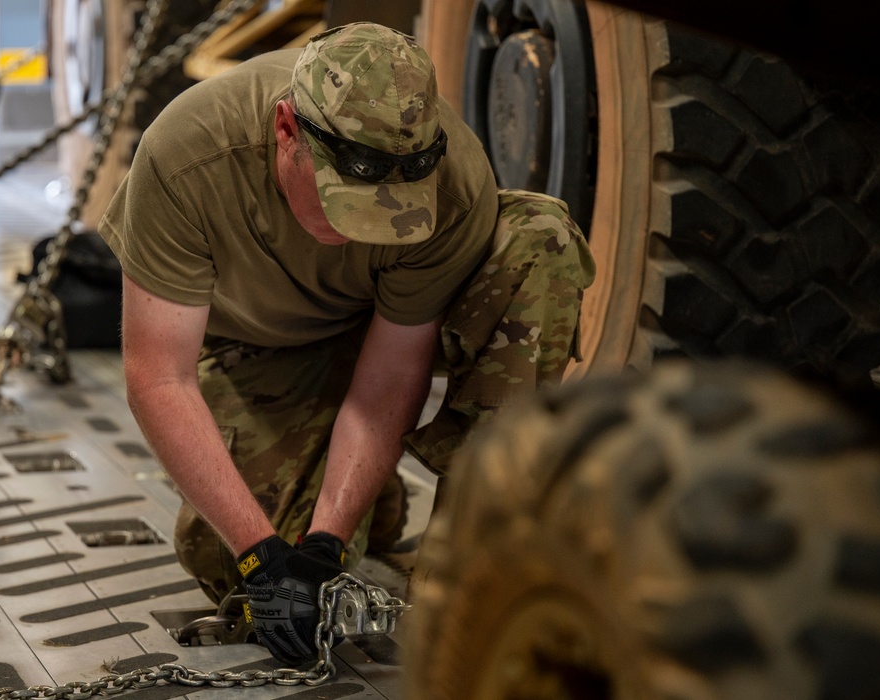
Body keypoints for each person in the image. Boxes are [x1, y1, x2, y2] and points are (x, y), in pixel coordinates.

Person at [98, 22, 595, 666]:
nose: (367, 227)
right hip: (264, 346)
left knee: (540, 237)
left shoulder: (453, 183)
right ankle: (366, 490)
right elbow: (160, 377)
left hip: (383, 325)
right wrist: (263, 555)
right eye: (345, 203)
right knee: (227, 565)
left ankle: (469, 556)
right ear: (286, 132)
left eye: (392, 207)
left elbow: (390, 374)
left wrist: (326, 543)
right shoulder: (188, 155)